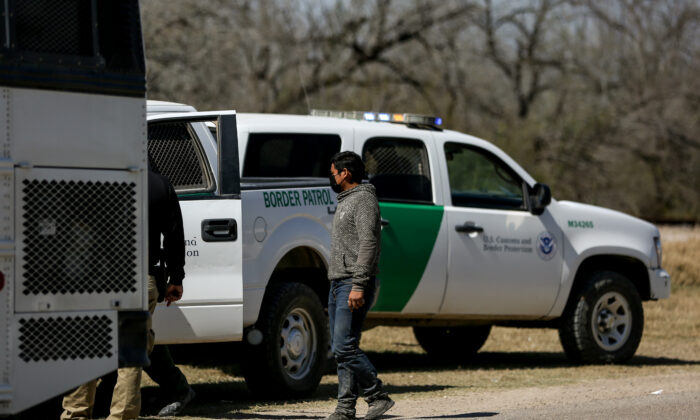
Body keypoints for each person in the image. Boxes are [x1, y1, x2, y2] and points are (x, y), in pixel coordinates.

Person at [61, 167, 188, 420]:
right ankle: (122, 416)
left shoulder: (90, 181)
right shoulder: (159, 185)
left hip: (94, 277)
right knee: (130, 353)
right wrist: (176, 278)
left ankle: (75, 414)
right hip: (141, 278)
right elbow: (174, 236)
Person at [326, 151, 394, 420]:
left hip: (352, 283)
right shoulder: (346, 200)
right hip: (338, 282)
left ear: (346, 174)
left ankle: (377, 395)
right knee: (343, 348)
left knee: (344, 346)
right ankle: (345, 409)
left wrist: (358, 285)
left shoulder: (364, 199)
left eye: (334, 173)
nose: (331, 178)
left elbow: (369, 243)